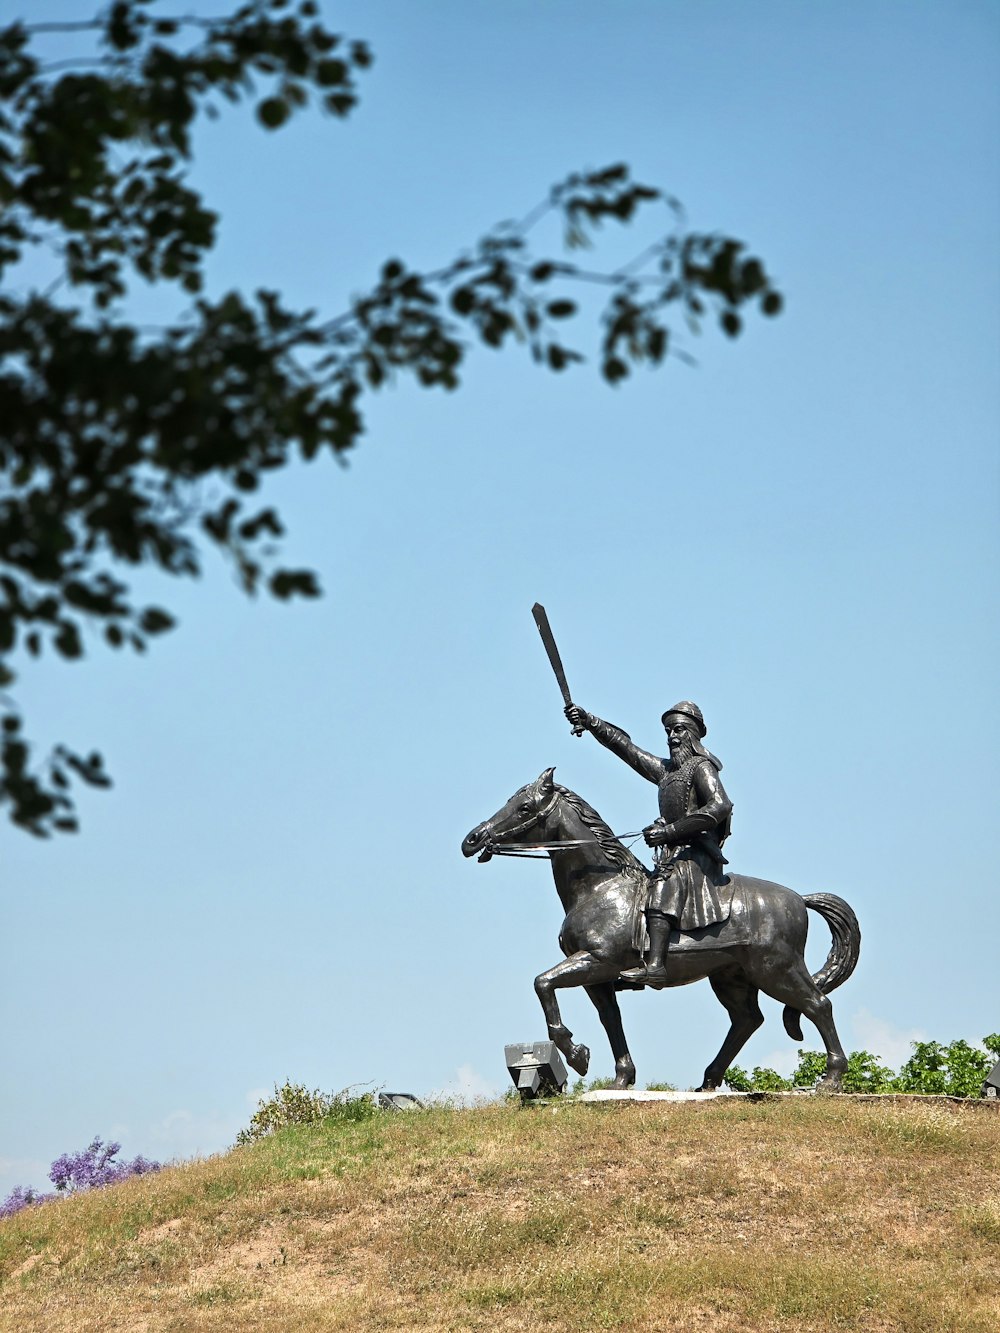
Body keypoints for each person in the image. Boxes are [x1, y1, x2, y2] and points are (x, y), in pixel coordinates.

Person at [563, 700, 734, 984]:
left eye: (678, 730)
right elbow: (628, 750)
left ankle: (655, 966)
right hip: (674, 853)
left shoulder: (702, 767)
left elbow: (720, 806)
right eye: (668, 731)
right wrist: (590, 721)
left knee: (663, 885)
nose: (672, 737)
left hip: (696, 855)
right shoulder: (667, 772)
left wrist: (669, 832)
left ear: (692, 733)